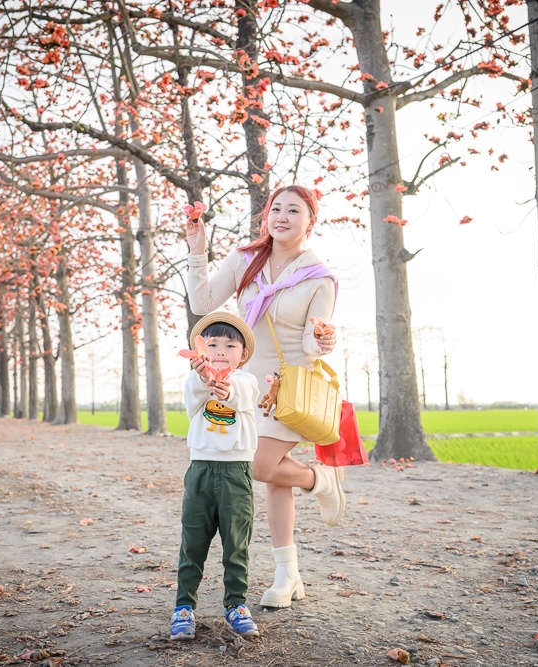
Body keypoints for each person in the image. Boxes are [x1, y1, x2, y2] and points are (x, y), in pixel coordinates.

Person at [185, 185, 342, 610]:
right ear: (266, 216)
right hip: (247, 387)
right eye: (276, 209)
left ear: (310, 221)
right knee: (273, 479)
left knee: (259, 466)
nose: (282, 216)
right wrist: (197, 250)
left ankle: (321, 479)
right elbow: (203, 303)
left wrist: (323, 340)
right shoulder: (244, 261)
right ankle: (287, 574)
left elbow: (312, 342)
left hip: (289, 388)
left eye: (294, 210)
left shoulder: (319, 278)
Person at [171, 311, 260, 641]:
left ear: (243, 354)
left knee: (236, 544)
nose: (221, 350)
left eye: (230, 345)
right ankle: (183, 607)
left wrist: (224, 387)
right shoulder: (195, 382)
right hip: (201, 472)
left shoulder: (246, 381)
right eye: (212, 344)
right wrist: (202, 375)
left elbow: (236, 393)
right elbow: (197, 393)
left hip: (236, 473)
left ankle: (236, 604)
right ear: (200, 350)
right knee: (192, 542)